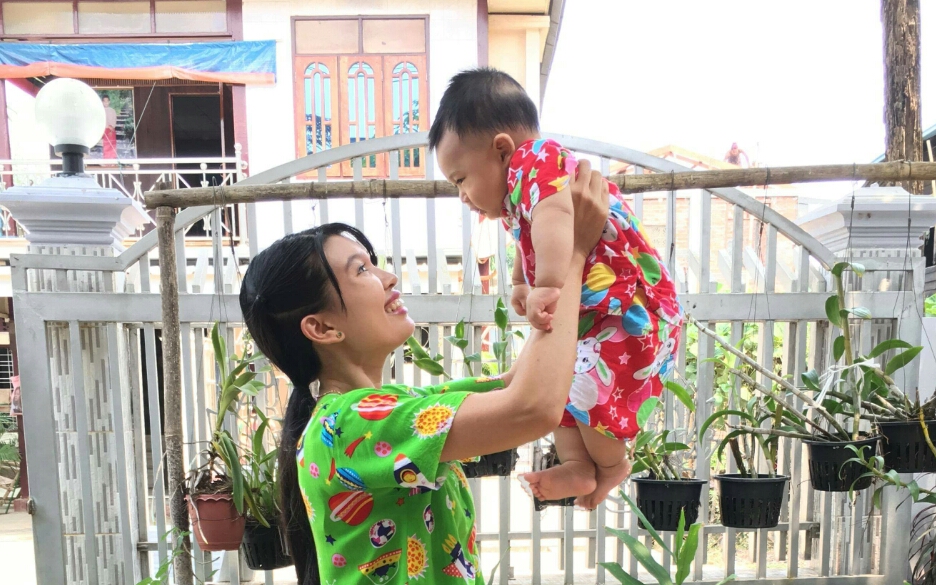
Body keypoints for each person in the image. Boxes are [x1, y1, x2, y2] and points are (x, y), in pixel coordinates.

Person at [239, 164, 608, 585]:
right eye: (361, 270)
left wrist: (552, 240)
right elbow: (532, 408)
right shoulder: (343, 426)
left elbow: (517, 383)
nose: (388, 278)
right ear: (321, 329)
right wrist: (573, 258)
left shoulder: (394, 406)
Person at [428, 68, 683, 510]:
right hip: (596, 310)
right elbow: (530, 238)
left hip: (629, 305)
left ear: (502, 149)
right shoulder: (516, 196)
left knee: (587, 392)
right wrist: (522, 282)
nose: (463, 196)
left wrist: (547, 283)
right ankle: (581, 468)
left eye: (461, 179)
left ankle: (611, 464)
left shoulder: (537, 160)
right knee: (561, 383)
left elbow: (555, 220)